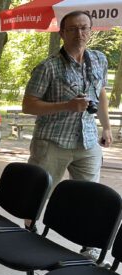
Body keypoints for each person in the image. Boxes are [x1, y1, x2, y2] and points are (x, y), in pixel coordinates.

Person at [22, 11, 113, 260]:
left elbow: (101, 93)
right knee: (39, 190)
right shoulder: (47, 66)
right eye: (72, 29)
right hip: (52, 140)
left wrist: (105, 127)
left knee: (90, 194)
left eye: (84, 28)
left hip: (87, 139)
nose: (79, 34)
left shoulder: (99, 60)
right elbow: (28, 105)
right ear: (62, 33)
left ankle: (89, 244)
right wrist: (66, 105)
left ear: (91, 31)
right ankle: (29, 232)